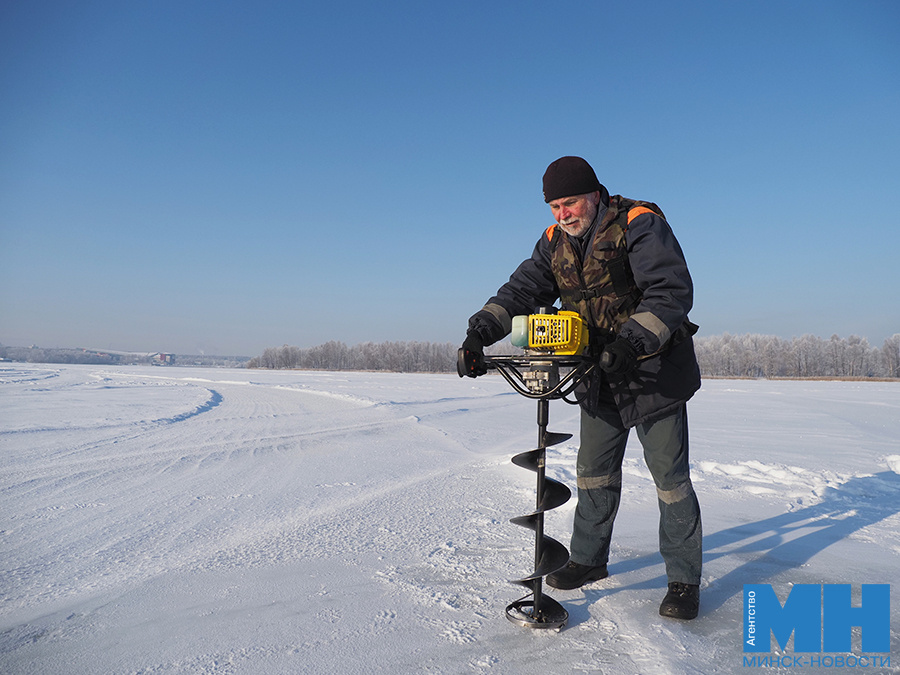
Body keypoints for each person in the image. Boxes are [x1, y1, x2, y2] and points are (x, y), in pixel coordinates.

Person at [460, 156, 703, 620]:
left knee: (670, 480)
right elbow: (521, 291)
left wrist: (631, 342)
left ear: (594, 194)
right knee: (593, 472)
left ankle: (683, 579)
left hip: (654, 373)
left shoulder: (638, 223)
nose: (562, 214)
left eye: (569, 202)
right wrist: (479, 333)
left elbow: (670, 291)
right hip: (598, 374)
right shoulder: (554, 242)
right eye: (554, 206)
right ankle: (588, 559)